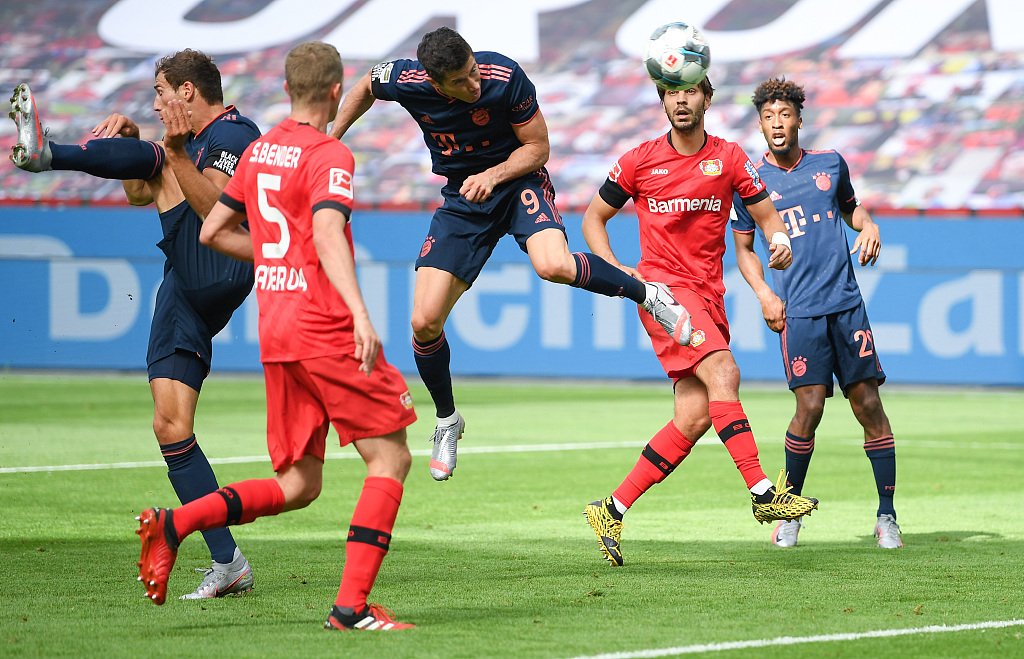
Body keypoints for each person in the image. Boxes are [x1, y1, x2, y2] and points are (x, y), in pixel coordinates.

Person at [137, 41, 418, 631]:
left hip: (278, 331)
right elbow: (326, 235)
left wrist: (272, 253)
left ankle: (177, 523)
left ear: (288, 89)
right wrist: (360, 316)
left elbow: (213, 229)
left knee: (298, 484)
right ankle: (352, 608)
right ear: (337, 92)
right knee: (389, 457)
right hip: (323, 326)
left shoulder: (262, 151)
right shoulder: (330, 154)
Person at [328, 26, 691, 482]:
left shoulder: (504, 76)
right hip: (464, 200)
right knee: (423, 322)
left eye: (473, 72)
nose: (474, 85)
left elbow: (539, 147)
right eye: (461, 82)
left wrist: (496, 174)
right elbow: (365, 84)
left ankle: (648, 294)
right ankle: (447, 420)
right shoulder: (407, 79)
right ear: (435, 83)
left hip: (517, 180)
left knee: (553, 264)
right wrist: (333, 136)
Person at [8, 50, 261, 597]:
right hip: (183, 284)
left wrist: (163, 152)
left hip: (221, 260)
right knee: (171, 425)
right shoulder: (188, 146)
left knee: (162, 158)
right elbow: (140, 194)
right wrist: (132, 145)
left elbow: (221, 208)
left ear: (188, 92)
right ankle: (228, 561)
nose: (155, 102)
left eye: (161, 92)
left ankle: (48, 154)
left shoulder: (235, 135)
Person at [580, 75, 820, 567]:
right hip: (664, 294)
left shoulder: (730, 157)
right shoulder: (638, 160)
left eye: (690, 92)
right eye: (672, 93)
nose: (681, 100)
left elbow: (767, 216)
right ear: (663, 101)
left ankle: (611, 508)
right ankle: (762, 491)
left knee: (692, 417)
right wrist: (616, 268)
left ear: (706, 99)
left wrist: (780, 240)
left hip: (709, 294)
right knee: (725, 374)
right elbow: (592, 220)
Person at [732, 77, 901, 549]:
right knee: (809, 407)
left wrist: (870, 227)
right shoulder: (751, 180)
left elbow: (855, 211)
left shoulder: (830, 164)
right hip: (799, 312)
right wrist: (765, 293)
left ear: (798, 120)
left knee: (867, 404)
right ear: (761, 125)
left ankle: (886, 516)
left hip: (846, 305)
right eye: (768, 117)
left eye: (784, 115)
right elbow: (743, 249)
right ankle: (791, 513)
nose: (777, 124)